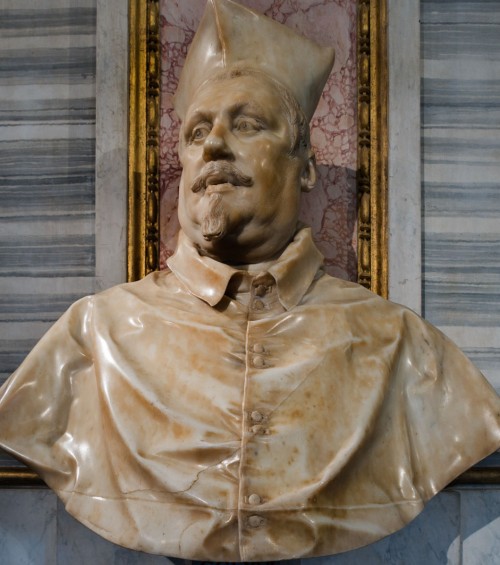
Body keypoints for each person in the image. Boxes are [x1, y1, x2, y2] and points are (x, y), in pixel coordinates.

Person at [0, 0, 499, 561]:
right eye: (196, 132)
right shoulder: (92, 340)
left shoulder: (402, 350)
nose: (213, 145)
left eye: (247, 124)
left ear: (305, 165)